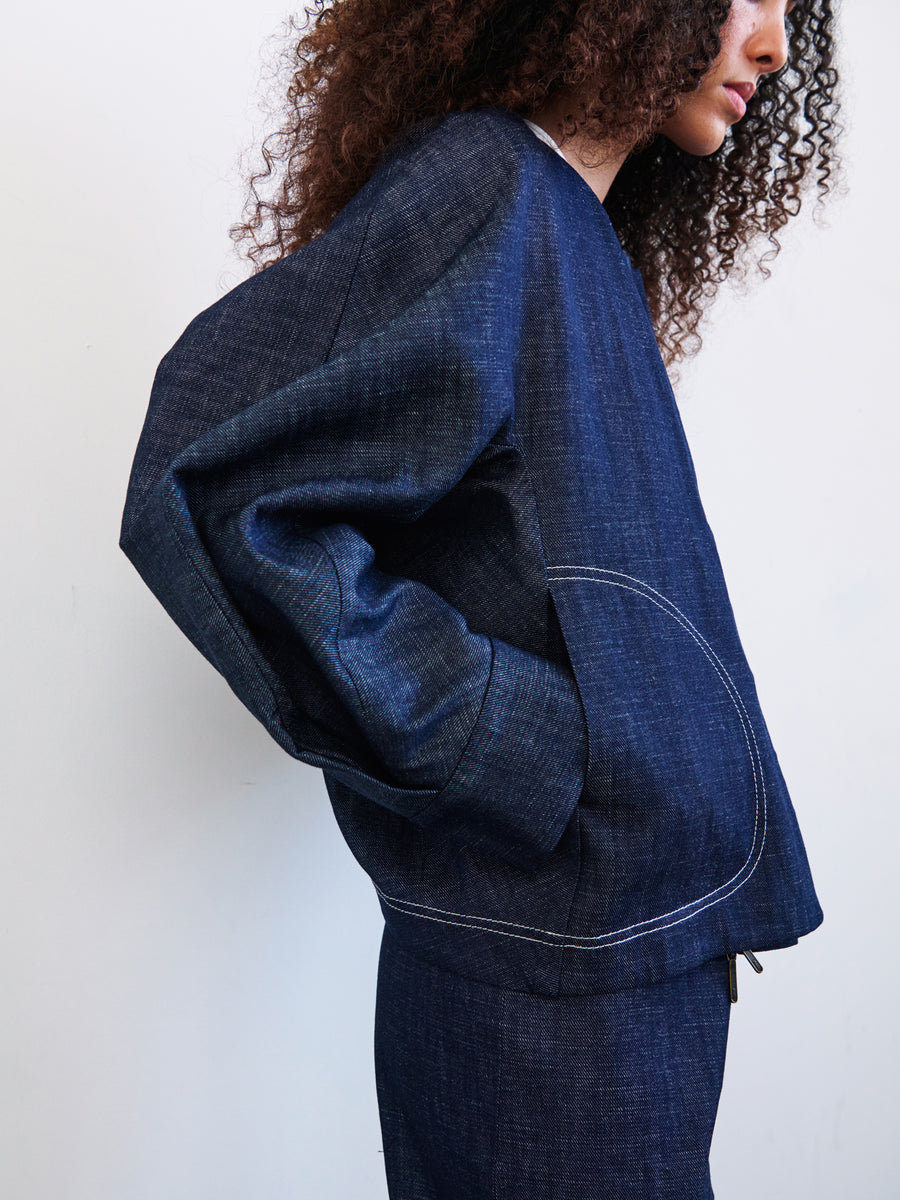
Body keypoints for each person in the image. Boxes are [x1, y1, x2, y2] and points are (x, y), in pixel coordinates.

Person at [120, 0, 840, 1195]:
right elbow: (206, 481)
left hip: (612, 973)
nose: (771, 44)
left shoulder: (568, 226)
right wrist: (519, 746)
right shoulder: (490, 188)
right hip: (550, 1005)